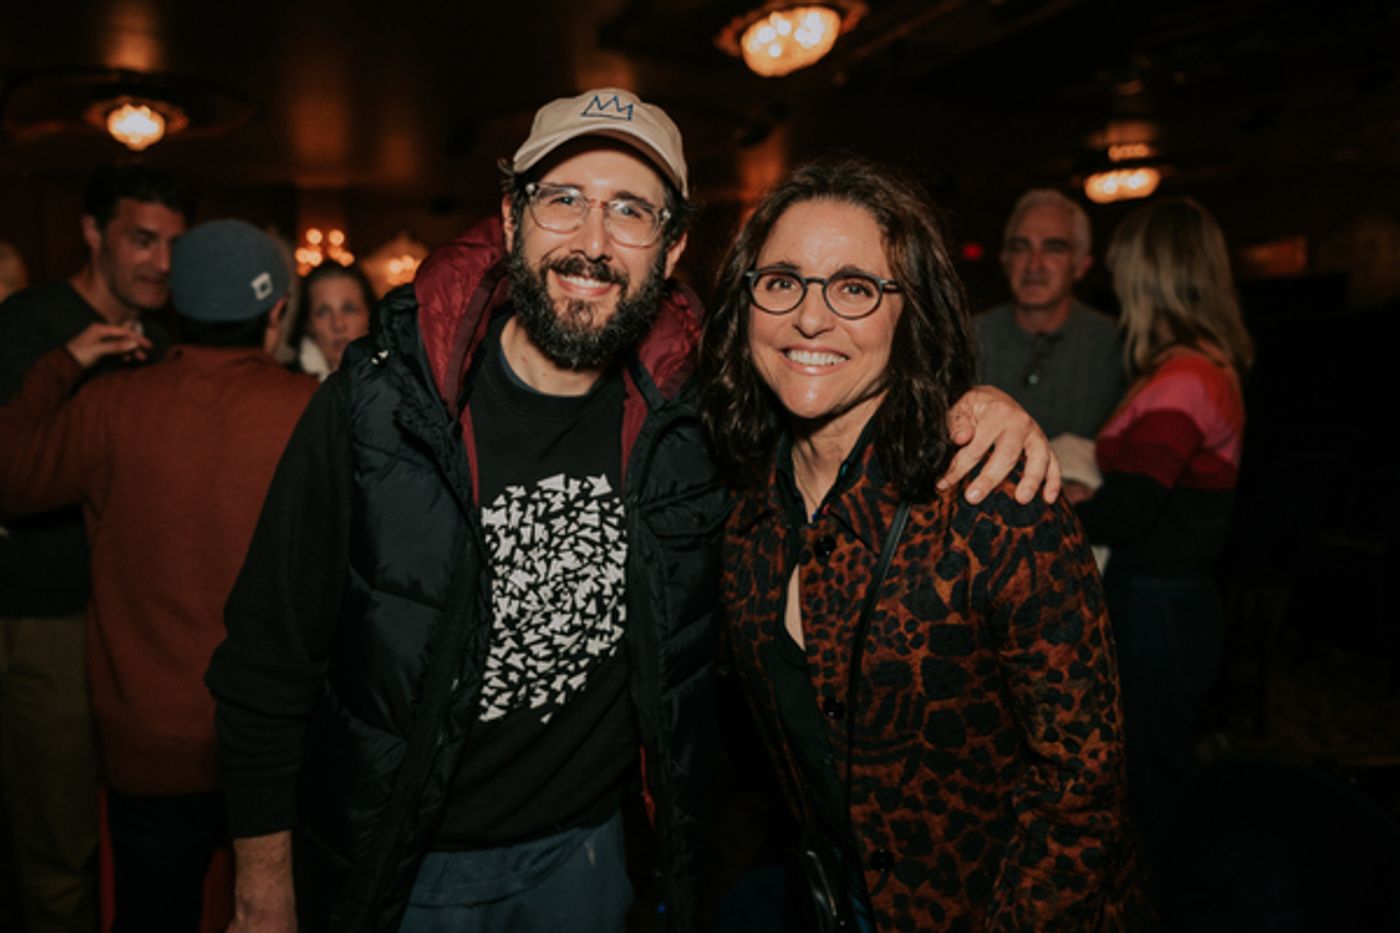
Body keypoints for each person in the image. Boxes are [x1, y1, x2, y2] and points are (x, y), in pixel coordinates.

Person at [205, 87, 1056, 933]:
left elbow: (839, 401)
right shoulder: (377, 406)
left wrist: (970, 406)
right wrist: (262, 897)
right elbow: (265, 668)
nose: (593, 241)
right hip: (396, 871)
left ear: (673, 243)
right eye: (563, 199)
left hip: (590, 861)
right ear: (511, 217)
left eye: (630, 211)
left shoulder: (703, 414)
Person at [699, 156, 1132, 931]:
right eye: (782, 280)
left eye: (856, 287)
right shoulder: (746, 518)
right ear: (746, 303)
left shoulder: (994, 500)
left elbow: (1083, 785)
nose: (809, 316)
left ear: (911, 312)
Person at [0, 219, 317, 932]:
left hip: (146, 750)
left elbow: (8, 472)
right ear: (273, 313)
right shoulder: (309, 411)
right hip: (274, 752)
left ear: (179, 305)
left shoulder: (111, 406)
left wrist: (63, 363)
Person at [0, 163, 191, 933]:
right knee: (58, 848)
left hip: (142, 627)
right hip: (46, 618)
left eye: (175, 244)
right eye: (142, 240)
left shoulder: (172, 339)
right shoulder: (27, 325)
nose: (162, 263)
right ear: (91, 232)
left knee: (143, 836)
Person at [1067, 196, 1253, 876]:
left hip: (1157, 606)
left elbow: (1130, 514)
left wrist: (1051, 513)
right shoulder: (1201, 364)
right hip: (1169, 598)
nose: (1113, 284)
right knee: (1153, 780)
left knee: (1150, 798)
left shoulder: (1183, 378)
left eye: (1121, 270)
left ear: (1151, 276)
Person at [976, 188, 1124, 439]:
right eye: (1021, 247)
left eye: (1054, 248)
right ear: (1005, 260)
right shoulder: (967, 339)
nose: (1034, 265)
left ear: (1081, 265)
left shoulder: (1116, 347)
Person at [288, 262, 374, 379]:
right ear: (307, 323)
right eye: (323, 312)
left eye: (350, 309)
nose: (338, 324)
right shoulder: (285, 388)